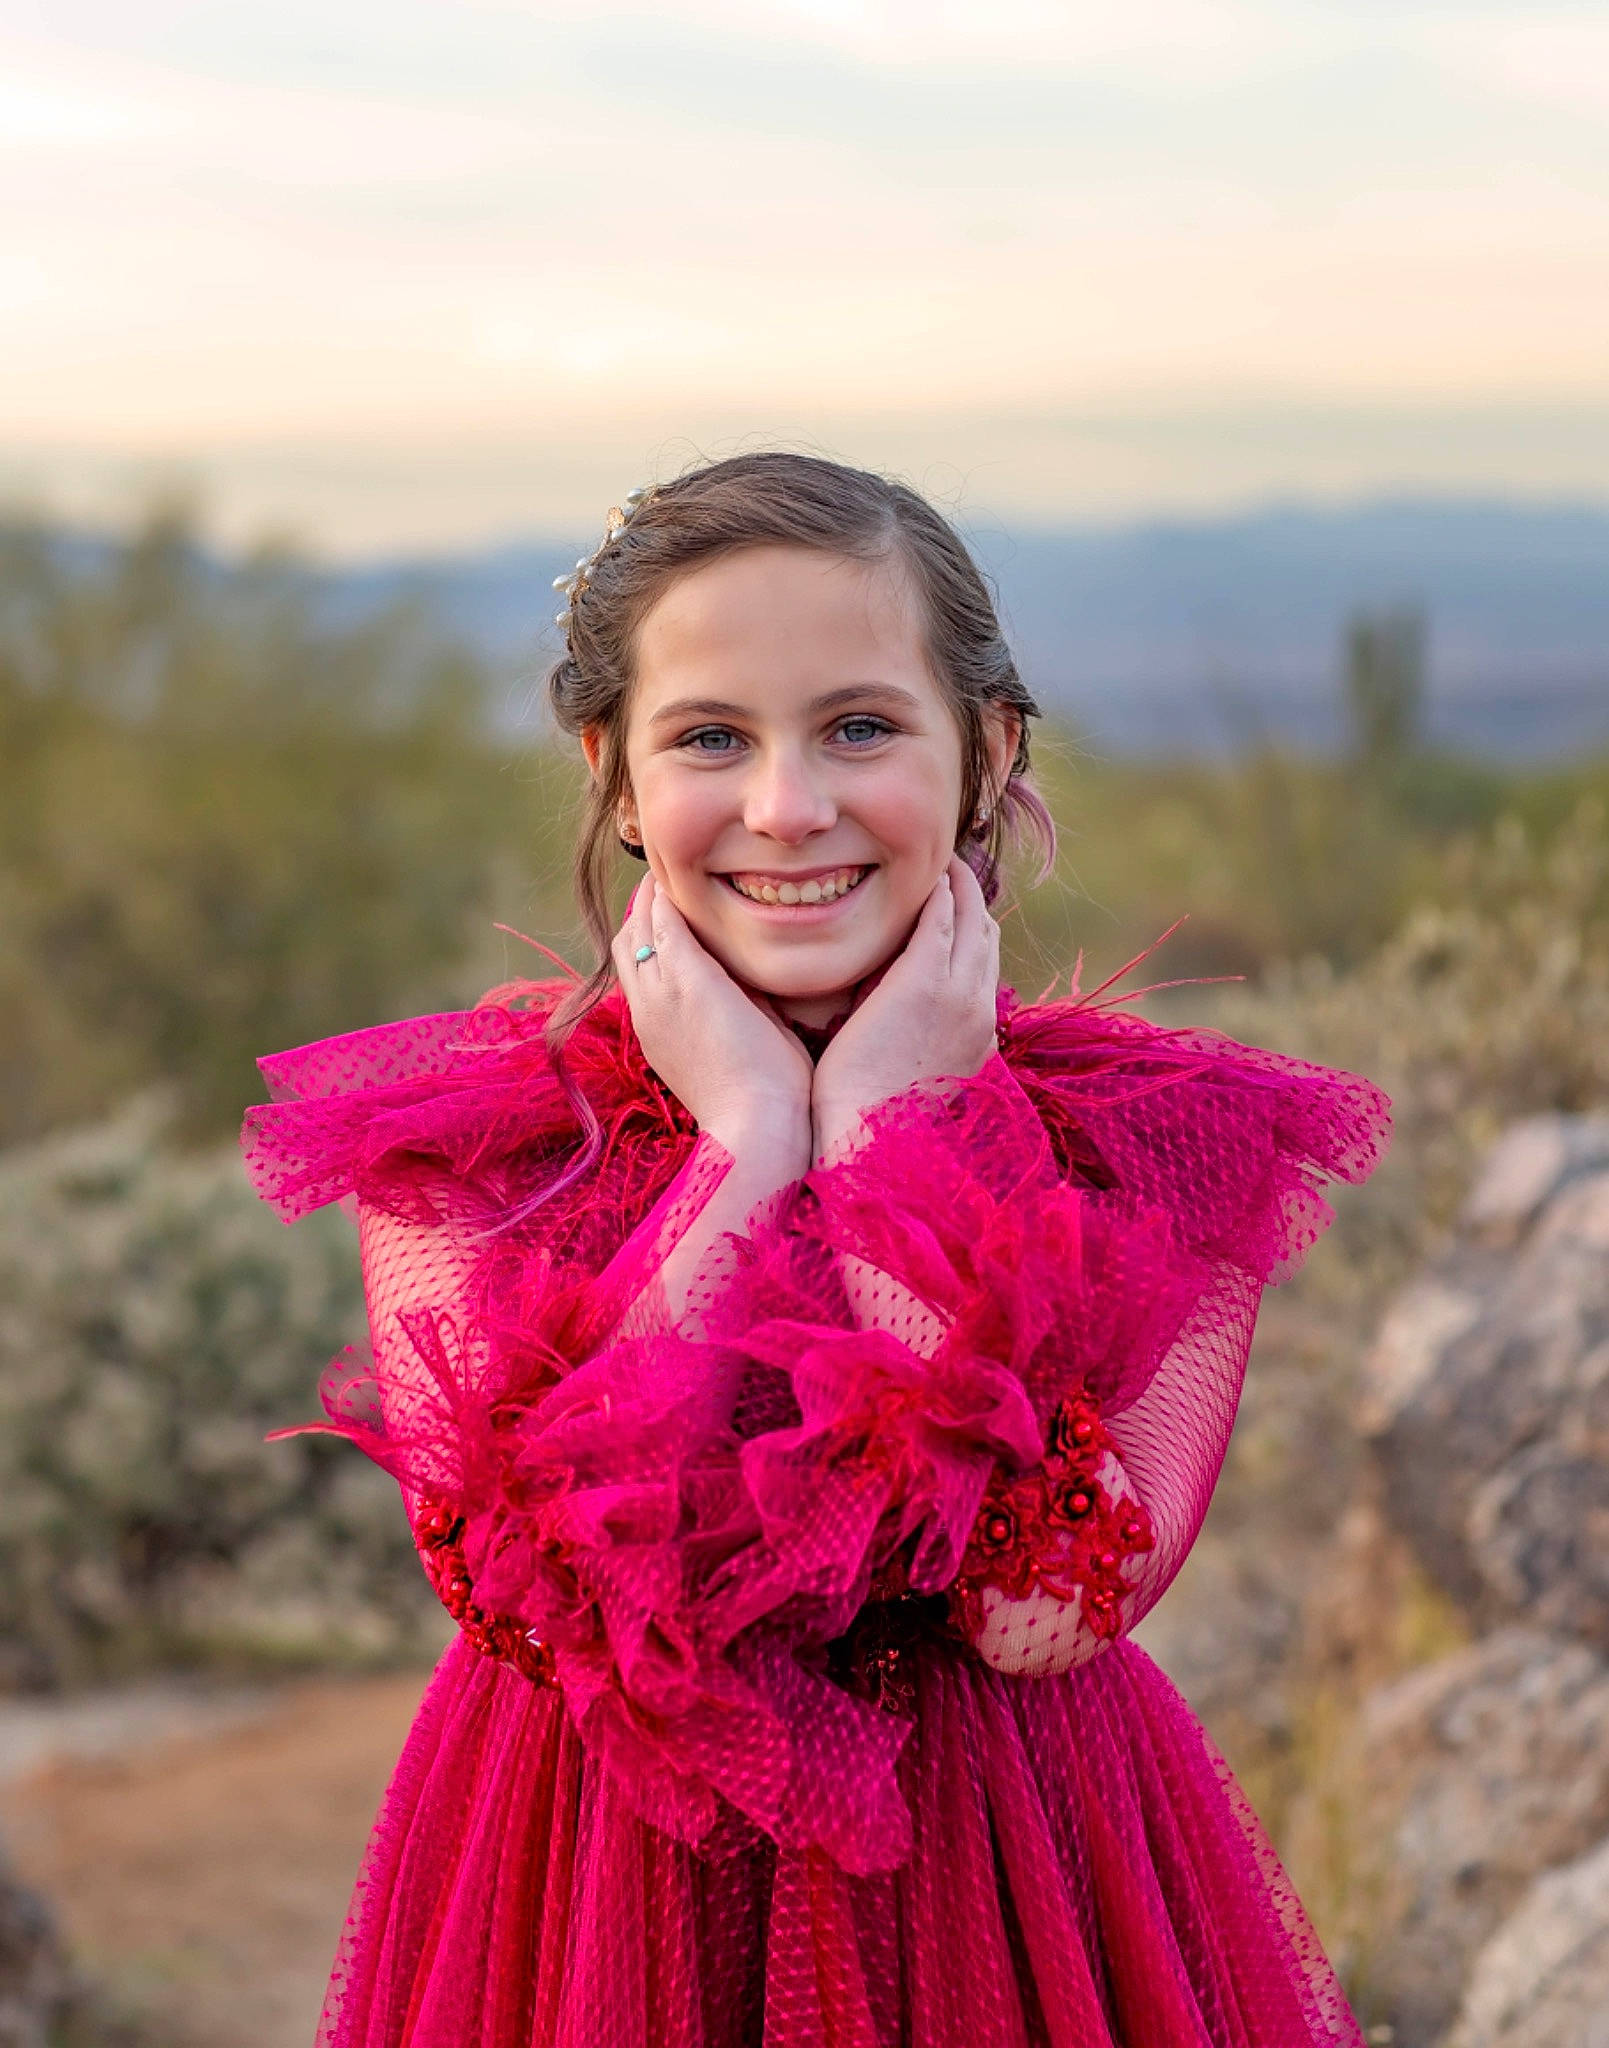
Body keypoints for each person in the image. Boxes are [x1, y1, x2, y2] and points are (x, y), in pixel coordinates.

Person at [241, 452, 1390, 2048]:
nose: (788, 806)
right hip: (588, 1904)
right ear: (615, 775)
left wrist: (879, 1135)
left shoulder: (1153, 1142)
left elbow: (1036, 1609)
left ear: (984, 750)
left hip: (1002, 1888)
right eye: (711, 737)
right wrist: (740, 1155)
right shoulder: (472, 1155)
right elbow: (534, 1597)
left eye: (860, 725)